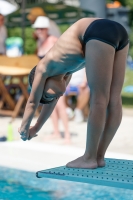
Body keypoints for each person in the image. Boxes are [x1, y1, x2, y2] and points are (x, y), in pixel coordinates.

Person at [19, 18, 129, 169]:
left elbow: (33, 102)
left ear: (43, 83)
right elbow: (51, 104)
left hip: (96, 31)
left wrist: (25, 128)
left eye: (48, 95)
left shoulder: (42, 67)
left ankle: (89, 157)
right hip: (119, 32)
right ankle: (98, 156)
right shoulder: (66, 71)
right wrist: (36, 128)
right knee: (114, 99)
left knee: (99, 99)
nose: (56, 96)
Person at [32, 16, 71, 143]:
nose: (39, 31)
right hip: (47, 78)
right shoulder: (40, 43)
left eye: (42, 28)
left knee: (60, 105)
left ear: (47, 29)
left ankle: (67, 135)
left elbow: (65, 58)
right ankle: (56, 132)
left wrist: (64, 77)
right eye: (37, 28)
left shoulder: (54, 40)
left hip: (58, 77)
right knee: (48, 104)